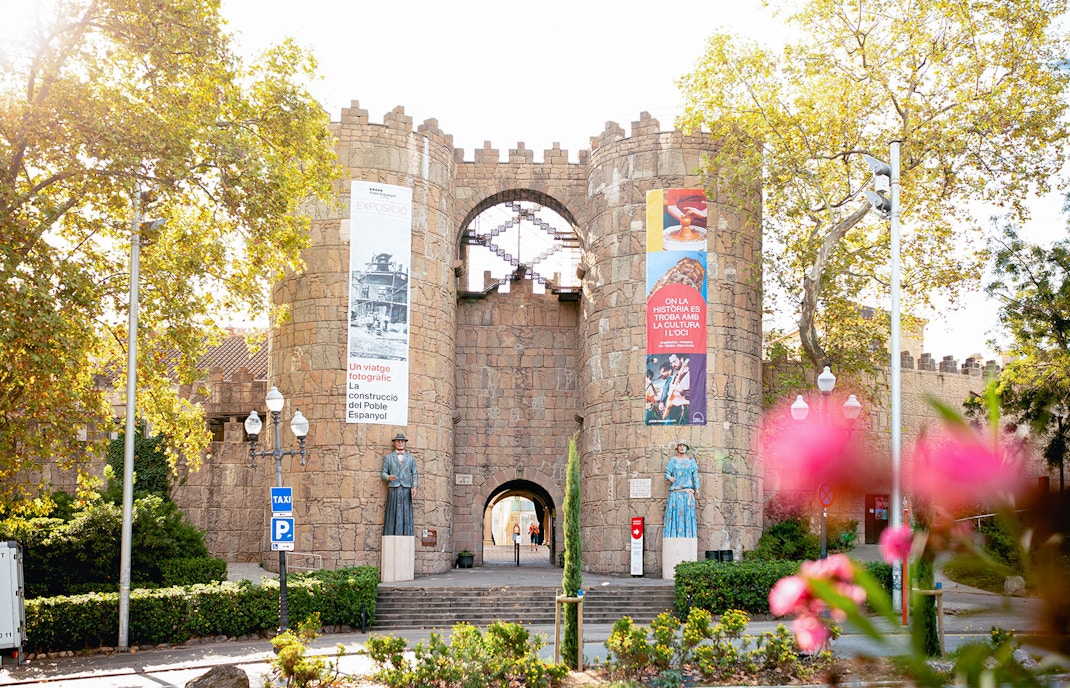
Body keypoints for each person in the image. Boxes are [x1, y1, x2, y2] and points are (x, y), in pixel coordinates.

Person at [381, 432, 417, 536]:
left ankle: (406, 534)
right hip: (393, 488)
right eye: (398, 441)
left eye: (402, 441)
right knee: (393, 512)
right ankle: (391, 533)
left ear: (405, 443)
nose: (400, 443)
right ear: (394, 443)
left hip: (406, 489)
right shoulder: (389, 457)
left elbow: (414, 474)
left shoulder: (410, 458)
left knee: (406, 513)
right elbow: (383, 473)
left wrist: (414, 487)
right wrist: (388, 477)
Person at [664, 440, 699, 538]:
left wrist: (697, 488)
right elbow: (667, 473)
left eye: (684, 445)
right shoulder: (673, 460)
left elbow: (695, 475)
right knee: (674, 516)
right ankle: (673, 540)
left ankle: (688, 540)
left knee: (687, 517)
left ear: (687, 447)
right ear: (677, 448)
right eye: (680, 445)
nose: (682, 447)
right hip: (675, 494)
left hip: (687, 494)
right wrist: (670, 477)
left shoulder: (691, 461)